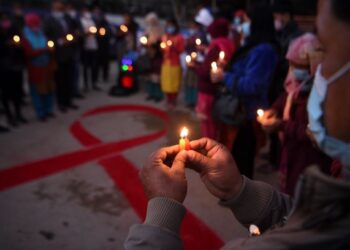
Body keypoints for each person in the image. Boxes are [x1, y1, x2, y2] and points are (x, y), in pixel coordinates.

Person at [125, 0, 350, 248]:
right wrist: (240, 190)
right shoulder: (338, 202)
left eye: (325, 50)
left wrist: (160, 216)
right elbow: (306, 223)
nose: (315, 74)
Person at [258, 33, 332, 196]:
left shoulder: (323, 94)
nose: (294, 71)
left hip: (310, 159)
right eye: (291, 64)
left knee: (302, 196)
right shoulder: (295, 82)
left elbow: (315, 132)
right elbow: (286, 96)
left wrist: (281, 125)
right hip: (291, 151)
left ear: (314, 65)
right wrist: (273, 110)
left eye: (299, 66)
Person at [211, 4, 279, 179]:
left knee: (243, 157)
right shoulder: (252, 45)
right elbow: (245, 72)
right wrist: (229, 69)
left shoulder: (264, 50)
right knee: (236, 153)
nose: (243, 24)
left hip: (247, 113)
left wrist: (225, 77)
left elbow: (252, 85)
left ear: (257, 23)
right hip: (240, 111)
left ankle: (241, 194)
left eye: (247, 21)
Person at [193, 18, 235, 139]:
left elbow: (206, 72)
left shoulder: (216, 46)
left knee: (208, 123)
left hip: (208, 91)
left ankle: (210, 149)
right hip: (219, 89)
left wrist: (195, 66)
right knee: (216, 123)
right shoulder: (228, 44)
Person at [44, 0, 78, 112]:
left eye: (60, 7)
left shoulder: (67, 19)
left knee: (69, 79)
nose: (59, 9)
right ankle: (61, 103)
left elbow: (74, 31)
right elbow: (46, 36)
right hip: (58, 55)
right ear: (53, 7)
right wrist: (59, 42)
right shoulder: (48, 20)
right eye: (56, 7)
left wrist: (72, 38)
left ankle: (69, 101)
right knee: (60, 80)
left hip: (69, 53)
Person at [22, 13, 55, 122]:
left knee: (48, 89)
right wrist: (44, 49)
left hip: (46, 65)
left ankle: (48, 110)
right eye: (34, 24)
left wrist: (50, 49)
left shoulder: (42, 34)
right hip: (35, 68)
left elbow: (48, 46)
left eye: (38, 23)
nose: (37, 26)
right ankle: (40, 112)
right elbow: (29, 53)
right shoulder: (25, 36)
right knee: (37, 91)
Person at [0, 11, 26, 126]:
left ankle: (18, 113)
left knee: (18, 91)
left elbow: (21, 42)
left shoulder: (14, 28)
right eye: (3, 19)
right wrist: (6, 44)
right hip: (4, 67)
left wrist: (18, 45)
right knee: (6, 93)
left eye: (6, 19)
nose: (5, 22)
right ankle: (10, 116)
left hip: (16, 63)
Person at [160, 18, 185, 109]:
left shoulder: (179, 37)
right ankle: (168, 99)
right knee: (166, 82)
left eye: (171, 25)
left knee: (174, 82)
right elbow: (162, 49)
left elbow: (181, 50)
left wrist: (174, 47)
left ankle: (174, 100)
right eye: (168, 25)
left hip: (175, 63)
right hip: (165, 63)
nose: (169, 27)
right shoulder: (165, 36)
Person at [143, 12, 163, 102]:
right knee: (149, 75)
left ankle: (158, 94)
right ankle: (150, 93)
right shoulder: (147, 31)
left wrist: (155, 46)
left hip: (157, 56)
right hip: (149, 56)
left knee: (157, 76)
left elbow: (161, 44)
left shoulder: (160, 31)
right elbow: (143, 42)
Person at [80, 5, 100, 91]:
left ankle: (94, 83)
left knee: (94, 66)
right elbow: (80, 33)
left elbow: (96, 31)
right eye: (85, 10)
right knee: (85, 67)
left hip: (93, 46)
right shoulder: (81, 21)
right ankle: (86, 84)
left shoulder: (92, 20)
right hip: (85, 46)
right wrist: (86, 33)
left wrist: (95, 32)